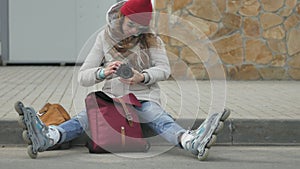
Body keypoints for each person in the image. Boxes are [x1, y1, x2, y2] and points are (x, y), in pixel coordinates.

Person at [15, 0, 230, 160]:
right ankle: (49, 136)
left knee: (156, 115)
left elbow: (164, 69)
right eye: (130, 25)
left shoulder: (152, 40)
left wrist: (142, 76)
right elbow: (83, 76)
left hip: (142, 97)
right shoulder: (104, 37)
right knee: (84, 117)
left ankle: (190, 141)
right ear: (121, 18)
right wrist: (103, 72)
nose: (134, 31)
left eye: (139, 28)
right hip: (111, 98)